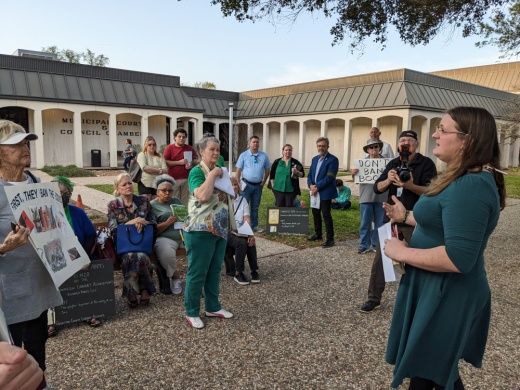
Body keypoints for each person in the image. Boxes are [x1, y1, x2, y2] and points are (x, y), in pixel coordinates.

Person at [382, 107, 505, 390]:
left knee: (429, 369)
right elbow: (443, 223)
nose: (435, 134)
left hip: (449, 292)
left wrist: (402, 253)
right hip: (435, 286)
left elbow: (459, 256)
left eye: (443, 129)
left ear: (467, 140)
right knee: (433, 369)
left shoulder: (470, 186)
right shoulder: (458, 178)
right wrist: (406, 217)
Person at [0, 120, 63, 390]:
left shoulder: (35, 182)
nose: (25, 147)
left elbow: (54, 227)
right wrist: (4, 248)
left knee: (38, 337)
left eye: (26, 142)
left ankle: (40, 381)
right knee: (12, 347)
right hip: (9, 285)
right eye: (16, 144)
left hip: (39, 278)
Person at [360, 130, 437, 313]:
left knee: (416, 262)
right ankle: (373, 298)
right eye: (402, 140)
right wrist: (389, 179)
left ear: (416, 144)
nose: (405, 143)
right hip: (392, 220)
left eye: (409, 140)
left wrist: (409, 186)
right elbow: (377, 188)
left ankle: (416, 300)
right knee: (380, 260)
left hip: (415, 221)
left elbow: (432, 192)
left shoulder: (426, 164)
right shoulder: (393, 163)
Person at [183, 136, 233, 329]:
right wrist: (212, 176)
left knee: (213, 271)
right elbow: (203, 196)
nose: (215, 153)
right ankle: (192, 311)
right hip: (199, 230)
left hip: (219, 229)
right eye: (211, 149)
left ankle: (213, 306)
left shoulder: (219, 172)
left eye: (218, 150)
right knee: (197, 272)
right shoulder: (197, 172)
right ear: (201, 152)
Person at [47, 176, 101, 337]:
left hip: (75, 251)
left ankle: (87, 311)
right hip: (52, 253)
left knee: (87, 269)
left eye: (65, 192)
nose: (62, 196)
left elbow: (91, 236)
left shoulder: (77, 212)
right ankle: (51, 319)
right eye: (57, 192)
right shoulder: (45, 213)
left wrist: (82, 257)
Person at [108, 172, 157, 308]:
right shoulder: (113, 205)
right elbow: (113, 229)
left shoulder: (143, 201)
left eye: (130, 183)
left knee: (138, 256)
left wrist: (144, 222)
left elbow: (153, 223)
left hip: (142, 243)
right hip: (123, 246)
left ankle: (132, 292)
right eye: (124, 184)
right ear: (117, 188)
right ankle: (145, 289)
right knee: (136, 257)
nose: (128, 186)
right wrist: (131, 222)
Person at [351, 139, 388, 253]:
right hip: (366, 196)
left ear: (379, 148)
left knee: (380, 222)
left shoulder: (387, 163)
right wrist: (353, 175)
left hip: (381, 196)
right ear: (367, 150)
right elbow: (357, 181)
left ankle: (376, 244)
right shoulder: (361, 163)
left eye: (375, 146)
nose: (373, 149)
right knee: (365, 222)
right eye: (371, 147)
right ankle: (364, 244)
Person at [150, 174, 184, 295]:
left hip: (183, 235)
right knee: (166, 253)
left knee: (199, 247)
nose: (167, 193)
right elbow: (152, 230)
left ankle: (198, 279)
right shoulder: (152, 206)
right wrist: (167, 222)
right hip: (165, 237)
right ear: (157, 191)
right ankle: (175, 277)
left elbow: (184, 216)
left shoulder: (176, 201)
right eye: (164, 190)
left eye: (170, 190)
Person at [226, 177, 260, 285]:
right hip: (226, 232)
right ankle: (238, 273)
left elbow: (246, 218)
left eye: (235, 184)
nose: (234, 187)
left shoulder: (243, 200)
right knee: (241, 242)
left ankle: (254, 270)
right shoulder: (223, 201)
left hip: (240, 230)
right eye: (231, 185)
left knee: (250, 241)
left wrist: (250, 233)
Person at [307, 137, 339, 248]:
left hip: (325, 192)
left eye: (323, 146)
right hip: (314, 191)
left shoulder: (333, 160)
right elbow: (310, 174)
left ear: (327, 146)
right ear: (317, 147)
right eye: (319, 146)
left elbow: (330, 177)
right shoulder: (314, 159)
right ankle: (318, 234)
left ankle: (330, 239)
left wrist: (317, 187)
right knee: (315, 213)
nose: (321, 148)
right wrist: (310, 185)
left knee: (326, 215)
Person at [235, 135, 271, 232]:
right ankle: (243, 226)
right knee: (243, 206)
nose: (255, 144)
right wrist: (238, 183)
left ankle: (254, 226)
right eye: (253, 142)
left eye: (257, 142)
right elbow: (238, 170)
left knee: (255, 207)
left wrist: (264, 182)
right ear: (249, 143)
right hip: (246, 185)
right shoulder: (243, 155)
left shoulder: (264, 156)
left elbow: (267, 169)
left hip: (258, 186)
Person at [163, 128, 199, 206]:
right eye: (179, 136)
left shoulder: (189, 148)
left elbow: (197, 160)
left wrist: (191, 163)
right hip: (173, 179)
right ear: (175, 137)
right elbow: (165, 162)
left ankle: (182, 217)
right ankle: (174, 217)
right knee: (174, 200)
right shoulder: (169, 148)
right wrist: (179, 162)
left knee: (184, 202)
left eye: (183, 137)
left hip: (186, 179)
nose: (181, 138)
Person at [137, 135, 167, 200]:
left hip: (157, 184)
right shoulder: (142, 155)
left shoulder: (160, 156)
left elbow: (165, 170)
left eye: (153, 144)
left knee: (155, 205)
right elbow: (145, 168)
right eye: (149, 145)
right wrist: (159, 170)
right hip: (145, 184)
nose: (152, 146)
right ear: (146, 145)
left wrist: (153, 170)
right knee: (145, 205)